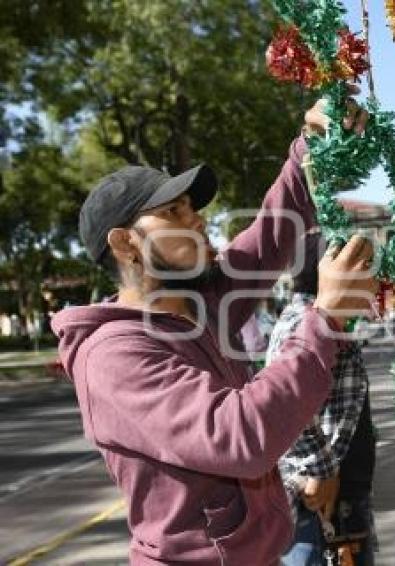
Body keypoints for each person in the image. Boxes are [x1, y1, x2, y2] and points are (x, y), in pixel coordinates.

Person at [50, 98, 377, 565]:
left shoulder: (198, 306)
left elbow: (269, 239)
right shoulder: (112, 357)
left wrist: (312, 145)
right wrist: (324, 321)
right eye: (175, 213)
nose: (199, 220)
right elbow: (241, 435)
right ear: (125, 243)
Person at [267, 232, 377, 566]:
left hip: (340, 497)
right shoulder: (306, 324)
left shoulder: (328, 322)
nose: (373, 280)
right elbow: (284, 403)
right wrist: (321, 472)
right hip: (319, 500)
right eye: (363, 268)